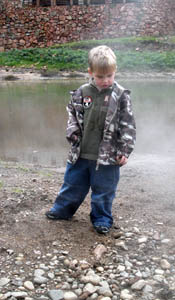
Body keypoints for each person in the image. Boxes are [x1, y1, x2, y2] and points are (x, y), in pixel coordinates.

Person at [45, 45, 136, 234]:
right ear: (91, 73)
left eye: (109, 76)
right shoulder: (82, 92)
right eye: (100, 76)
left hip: (107, 158)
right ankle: (62, 211)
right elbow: (72, 113)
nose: (105, 81)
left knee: (104, 190)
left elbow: (128, 125)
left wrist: (124, 151)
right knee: (72, 184)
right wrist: (73, 132)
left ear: (115, 71)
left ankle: (102, 218)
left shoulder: (120, 96)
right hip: (81, 153)